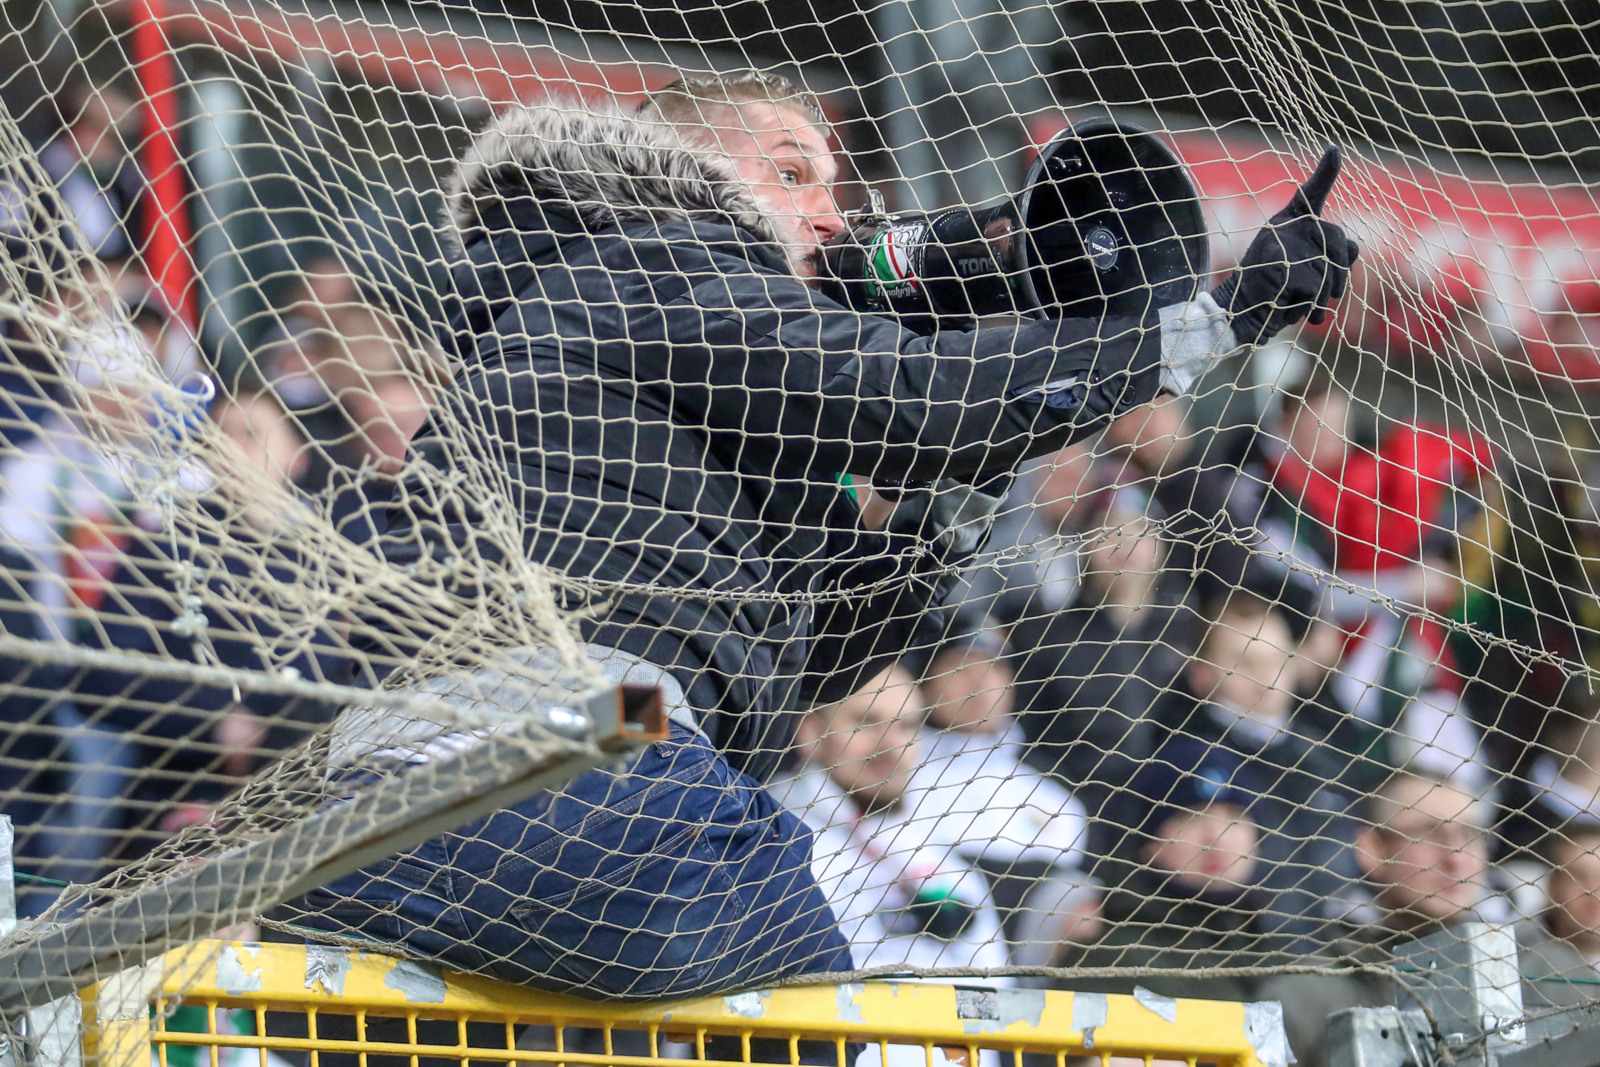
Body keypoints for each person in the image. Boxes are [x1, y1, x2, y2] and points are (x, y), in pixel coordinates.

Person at [289, 69, 1358, 1000]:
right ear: (678, 171)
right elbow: (904, 395)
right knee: (827, 1012)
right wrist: (1209, 321)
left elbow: (837, 649)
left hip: (411, 822)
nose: (837, 218)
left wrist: (931, 488)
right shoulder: (654, 254)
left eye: (839, 185)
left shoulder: (613, 332)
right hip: (578, 769)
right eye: (796, 174)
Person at [1258, 769, 1574, 1067]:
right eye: (1429, 834)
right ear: (1372, 848)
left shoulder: (1553, 971)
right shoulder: (1306, 994)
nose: (1456, 858)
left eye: (1469, 834)